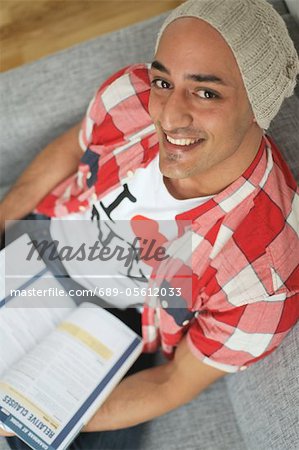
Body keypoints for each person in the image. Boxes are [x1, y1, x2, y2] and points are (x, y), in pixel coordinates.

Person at [1, 0, 298, 448]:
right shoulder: (136, 98)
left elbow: (174, 382)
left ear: (261, 100)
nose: (169, 116)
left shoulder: (261, 268)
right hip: (47, 241)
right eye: (165, 81)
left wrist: (39, 416)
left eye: (206, 92)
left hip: (125, 328)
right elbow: (74, 146)